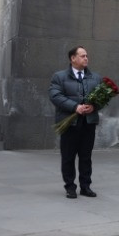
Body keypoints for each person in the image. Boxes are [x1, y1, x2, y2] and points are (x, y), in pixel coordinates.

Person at [48, 46, 101, 199]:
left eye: (87, 56)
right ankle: (70, 187)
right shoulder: (59, 77)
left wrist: (94, 106)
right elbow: (55, 96)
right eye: (83, 56)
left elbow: (103, 98)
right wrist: (75, 107)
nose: (86, 58)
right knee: (68, 157)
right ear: (73, 58)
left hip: (88, 123)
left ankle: (86, 187)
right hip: (69, 124)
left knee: (86, 157)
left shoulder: (95, 77)